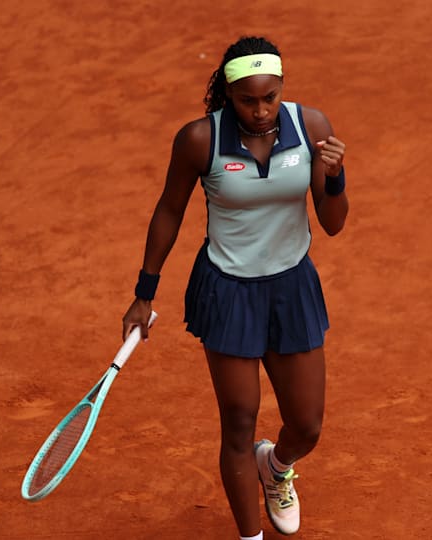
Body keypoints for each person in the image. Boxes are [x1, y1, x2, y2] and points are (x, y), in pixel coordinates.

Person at [121, 35, 349, 539]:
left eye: (271, 97)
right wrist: (144, 292)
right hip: (228, 292)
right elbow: (169, 211)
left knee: (307, 425)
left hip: (292, 287)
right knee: (240, 422)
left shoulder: (310, 127)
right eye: (249, 100)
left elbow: (333, 224)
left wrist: (333, 178)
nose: (262, 110)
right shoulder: (200, 140)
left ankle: (277, 467)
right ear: (228, 95)